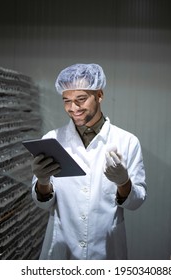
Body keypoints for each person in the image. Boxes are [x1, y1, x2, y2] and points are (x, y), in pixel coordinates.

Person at [31, 63, 147, 260]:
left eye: (81, 100)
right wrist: (42, 181)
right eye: (66, 100)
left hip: (105, 250)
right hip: (62, 248)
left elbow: (136, 202)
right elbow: (42, 204)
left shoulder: (127, 141)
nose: (72, 108)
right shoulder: (52, 139)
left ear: (99, 95)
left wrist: (123, 182)